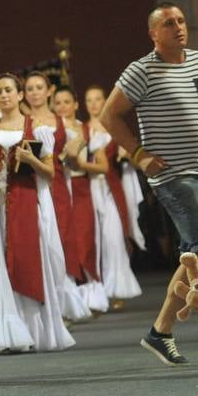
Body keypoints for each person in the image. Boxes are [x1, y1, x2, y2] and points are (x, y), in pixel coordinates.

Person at [101, 3, 198, 366]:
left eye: (180, 21)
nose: (178, 27)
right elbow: (108, 115)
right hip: (174, 176)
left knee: (195, 255)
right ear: (154, 34)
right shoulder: (141, 70)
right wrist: (139, 155)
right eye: (168, 23)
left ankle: (160, 332)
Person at [0, 73, 75, 354]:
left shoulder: (36, 129)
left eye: (9, 90)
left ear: (19, 95)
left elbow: (49, 173)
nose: (4, 95)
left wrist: (30, 159)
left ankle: (29, 329)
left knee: (24, 261)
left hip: (23, 202)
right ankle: (5, 333)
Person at [22, 72, 92, 322]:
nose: (35, 92)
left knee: (60, 239)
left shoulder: (61, 121)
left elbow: (74, 159)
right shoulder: (21, 121)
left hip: (59, 185)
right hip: (29, 187)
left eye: (39, 87)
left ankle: (63, 303)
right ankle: (40, 302)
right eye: (30, 88)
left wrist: (75, 151)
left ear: (49, 91)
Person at [52, 85, 109, 315]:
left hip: (81, 187)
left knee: (85, 241)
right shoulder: (49, 130)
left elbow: (103, 166)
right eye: (58, 103)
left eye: (67, 102)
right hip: (57, 189)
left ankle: (91, 297)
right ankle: (67, 300)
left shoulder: (87, 131)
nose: (63, 107)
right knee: (63, 243)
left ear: (76, 105)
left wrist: (81, 165)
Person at [82, 86, 142, 303]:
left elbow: (134, 160)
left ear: (105, 100)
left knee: (113, 237)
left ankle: (117, 288)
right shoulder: (82, 129)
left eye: (98, 99)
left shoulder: (114, 129)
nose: (94, 104)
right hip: (87, 189)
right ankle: (97, 289)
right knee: (93, 239)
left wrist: (125, 153)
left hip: (111, 188)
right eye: (89, 100)